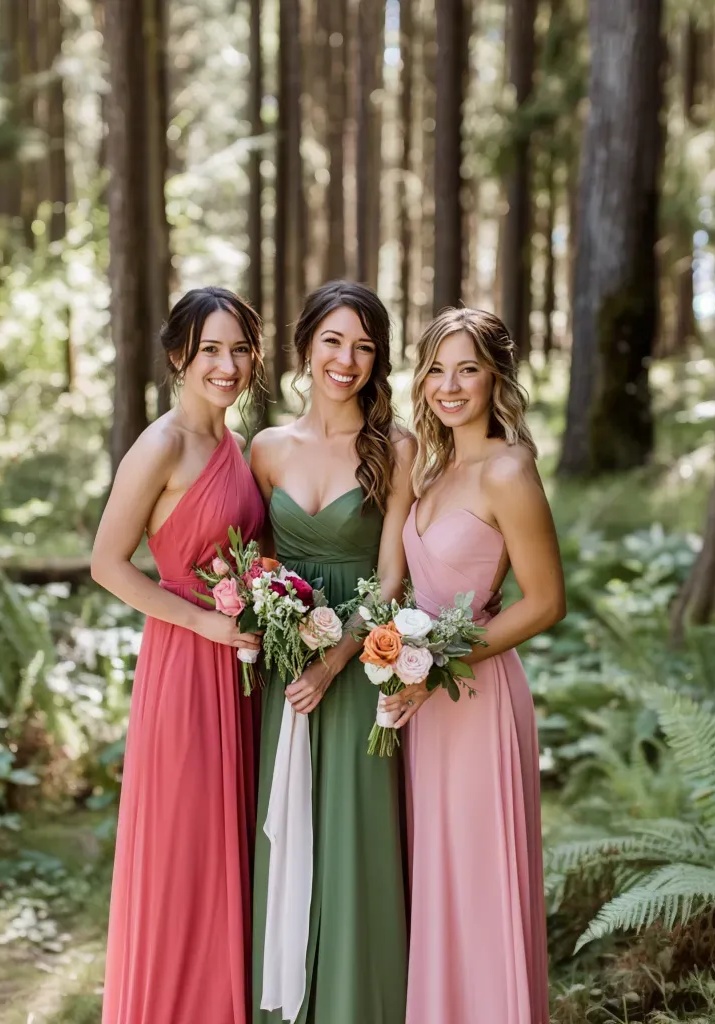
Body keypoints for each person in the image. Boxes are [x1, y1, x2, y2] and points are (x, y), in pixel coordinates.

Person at [382, 307, 566, 1024]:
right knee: (436, 877)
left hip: (478, 695)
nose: (449, 385)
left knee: (480, 882)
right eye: (436, 369)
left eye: (468, 369)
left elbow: (546, 602)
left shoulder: (508, 470)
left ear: (496, 378)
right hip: (423, 702)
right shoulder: (432, 468)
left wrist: (439, 663)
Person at [91, 287, 267, 1024]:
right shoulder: (160, 444)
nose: (226, 366)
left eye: (239, 350)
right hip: (185, 664)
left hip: (243, 669)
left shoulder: (239, 446)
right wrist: (204, 625)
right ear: (177, 358)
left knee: (238, 850)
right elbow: (108, 563)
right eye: (209, 351)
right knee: (185, 853)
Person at [249, 280, 415, 1024]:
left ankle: (354, 1004)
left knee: (352, 839)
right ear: (305, 345)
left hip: (357, 667)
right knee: (281, 832)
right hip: (284, 669)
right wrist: (272, 625)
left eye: (364, 346)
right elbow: (255, 560)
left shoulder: (395, 450)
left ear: (377, 360)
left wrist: (336, 659)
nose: (346, 360)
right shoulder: (266, 448)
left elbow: (391, 577)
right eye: (333, 341)